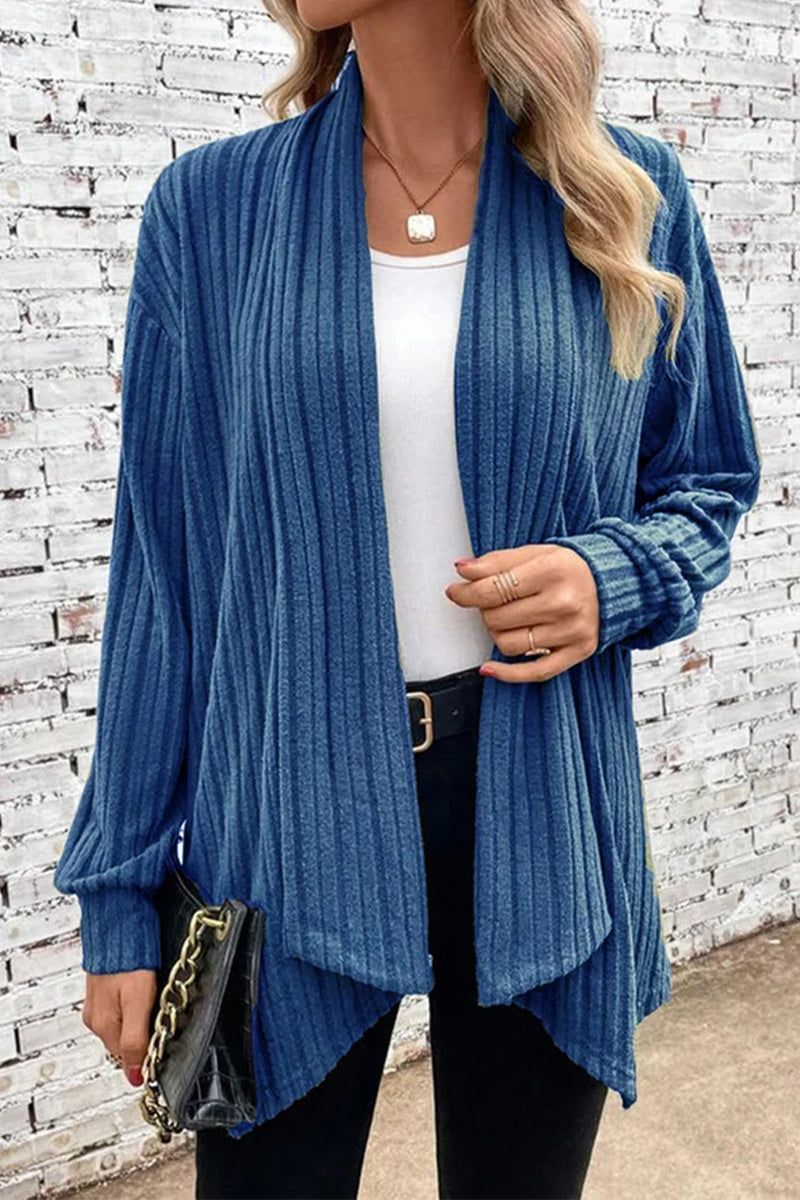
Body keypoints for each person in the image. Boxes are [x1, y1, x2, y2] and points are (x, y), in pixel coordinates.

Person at [53, 1, 762, 1198]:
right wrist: (118, 894)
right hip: (286, 812)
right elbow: (163, 578)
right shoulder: (212, 211)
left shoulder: (620, 191)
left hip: (539, 807)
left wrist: (610, 578)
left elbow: (705, 482)